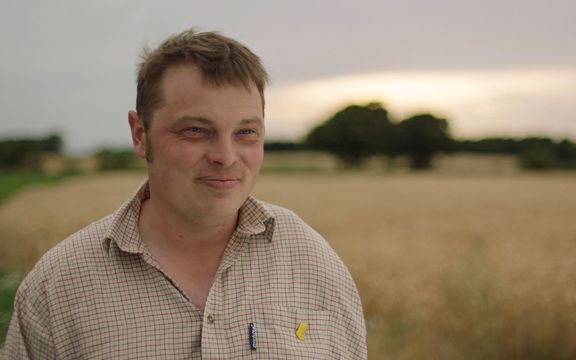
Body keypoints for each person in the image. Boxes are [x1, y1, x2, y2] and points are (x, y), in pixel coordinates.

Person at [2, 29, 367, 359]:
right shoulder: (58, 285)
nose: (225, 157)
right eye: (195, 130)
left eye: (246, 132)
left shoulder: (313, 262)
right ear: (140, 135)